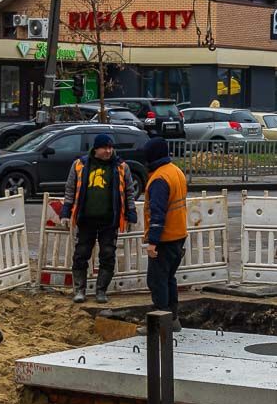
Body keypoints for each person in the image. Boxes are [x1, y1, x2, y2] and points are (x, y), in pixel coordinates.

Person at [60, 134, 138, 304]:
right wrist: (65, 213)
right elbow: (70, 190)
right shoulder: (80, 165)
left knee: (108, 255)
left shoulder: (121, 167)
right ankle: (80, 290)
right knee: (81, 254)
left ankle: (101, 290)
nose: (109, 151)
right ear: (96, 149)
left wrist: (131, 214)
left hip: (109, 221)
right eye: (105, 148)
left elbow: (129, 192)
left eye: (111, 147)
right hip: (86, 219)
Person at [141, 137, 188, 330]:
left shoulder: (159, 179)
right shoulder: (175, 171)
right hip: (178, 235)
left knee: (157, 281)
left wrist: (153, 242)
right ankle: (173, 320)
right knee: (169, 279)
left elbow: (157, 214)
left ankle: (160, 324)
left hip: (165, 238)